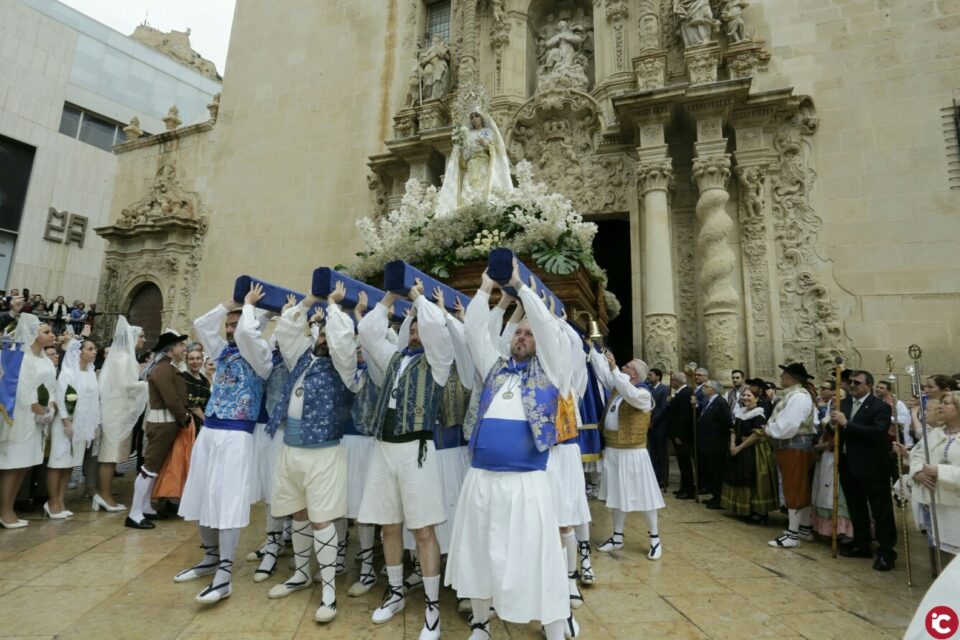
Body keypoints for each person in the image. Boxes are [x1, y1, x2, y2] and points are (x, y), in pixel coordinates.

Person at [446, 265, 572, 640]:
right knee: (478, 554)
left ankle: (554, 626)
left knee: (537, 557)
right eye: (518, 331)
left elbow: (548, 330)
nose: (521, 336)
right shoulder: (495, 369)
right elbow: (474, 332)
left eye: (528, 333)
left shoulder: (553, 371)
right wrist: (485, 289)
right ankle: (481, 624)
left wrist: (520, 287)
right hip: (481, 479)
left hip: (526, 483)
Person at [356, 280, 453, 639]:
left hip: (417, 451)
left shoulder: (438, 362)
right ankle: (396, 592)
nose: (415, 333)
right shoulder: (394, 359)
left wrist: (418, 297)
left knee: (424, 530)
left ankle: (432, 607)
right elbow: (368, 332)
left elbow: (437, 330)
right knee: (388, 526)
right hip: (384, 449)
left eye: (419, 329)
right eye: (411, 328)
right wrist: (391, 296)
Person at [175, 285, 273, 604]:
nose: (230, 330)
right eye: (228, 326)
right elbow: (201, 325)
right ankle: (210, 558)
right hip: (211, 429)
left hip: (237, 434)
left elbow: (248, 334)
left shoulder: (260, 355)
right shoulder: (222, 352)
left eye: (235, 324)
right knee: (202, 493)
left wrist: (250, 309)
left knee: (228, 501)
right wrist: (229, 304)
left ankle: (225, 574)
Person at [263, 285, 354, 623]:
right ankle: (301, 573)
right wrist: (309, 300)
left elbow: (343, 341)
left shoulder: (344, 365)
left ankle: (329, 590)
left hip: (323, 453)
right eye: (322, 334)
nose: (325, 339)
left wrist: (333, 307)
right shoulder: (302, 356)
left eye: (330, 335)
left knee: (321, 519)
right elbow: (287, 331)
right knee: (298, 513)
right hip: (291, 448)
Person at [590, 349, 663, 560]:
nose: (623, 367)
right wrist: (594, 349)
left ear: (635, 374)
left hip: (633, 453)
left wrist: (614, 368)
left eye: (627, 366)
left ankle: (655, 538)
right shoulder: (618, 388)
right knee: (616, 495)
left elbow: (628, 392)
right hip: (613, 449)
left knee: (644, 495)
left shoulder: (643, 394)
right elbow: (605, 375)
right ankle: (617, 536)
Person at [832, 370, 897, 571]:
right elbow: (837, 429)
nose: (852, 385)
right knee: (856, 507)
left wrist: (846, 423)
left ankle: (886, 552)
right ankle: (862, 544)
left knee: (880, 510)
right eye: (850, 382)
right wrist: (832, 425)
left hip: (872, 466)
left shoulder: (880, 407)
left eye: (857, 382)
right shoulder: (844, 404)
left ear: (869, 385)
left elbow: (877, 432)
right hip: (848, 464)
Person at [127, 331, 190, 529]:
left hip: (166, 424)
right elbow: (170, 398)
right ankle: (134, 513)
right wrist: (184, 417)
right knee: (149, 468)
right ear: (170, 349)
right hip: (162, 423)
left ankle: (145, 506)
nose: (183, 348)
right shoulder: (163, 369)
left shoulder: (166, 367)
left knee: (153, 468)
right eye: (179, 345)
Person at [0, 314, 57, 527]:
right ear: (33, 335)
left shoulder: (45, 359)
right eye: (46, 332)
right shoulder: (23, 358)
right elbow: (24, 390)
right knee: (14, 464)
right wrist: (39, 411)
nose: (52, 335)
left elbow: (51, 388)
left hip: (38, 419)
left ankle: (9, 507)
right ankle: (4, 510)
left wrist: (50, 408)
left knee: (25, 465)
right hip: (23, 416)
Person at [95, 318, 148, 512]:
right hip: (116, 411)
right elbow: (127, 385)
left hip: (117, 409)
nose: (144, 340)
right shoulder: (125, 359)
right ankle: (104, 495)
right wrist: (148, 384)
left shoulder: (123, 357)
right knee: (109, 455)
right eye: (141, 336)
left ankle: (104, 493)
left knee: (111, 455)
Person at [46, 331, 100, 518]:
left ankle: (61, 500)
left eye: (95, 349)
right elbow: (61, 397)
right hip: (66, 424)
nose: (94, 352)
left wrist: (92, 423)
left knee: (70, 464)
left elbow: (94, 400)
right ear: (79, 352)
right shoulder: (68, 373)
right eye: (90, 349)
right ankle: (52, 502)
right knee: (58, 462)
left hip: (82, 424)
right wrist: (66, 422)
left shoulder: (91, 373)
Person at [764, 362, 818, 549]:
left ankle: (793, 535)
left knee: (794, 488)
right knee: (800, 487)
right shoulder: (796, 395)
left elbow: (788, 426)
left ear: (792, 378)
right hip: (794, 447)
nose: (780, 378)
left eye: (783, 375)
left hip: (793, 447)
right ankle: (803, 528)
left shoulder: (798, 397)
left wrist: (769, 429)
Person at [911, 390, 960, 575]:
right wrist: (918, 473)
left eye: (946, 403)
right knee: (943, 552)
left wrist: (941, 471)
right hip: (937, 503)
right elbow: (917, 455)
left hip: (957, 504)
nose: (940, 406)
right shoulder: (935, 433)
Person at [436, 108, 513, 217]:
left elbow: (497, 152)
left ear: (482, 117)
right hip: (472, 166)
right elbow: (464, 160)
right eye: (472, 117)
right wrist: (462, 152)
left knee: (483, 188)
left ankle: (485, 210)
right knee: (469, 190)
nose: (474, 119)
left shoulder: (488, 132)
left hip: (484, 164)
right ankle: (469, 214)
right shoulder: (468, 134)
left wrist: (486, 144)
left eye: (477, 116)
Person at [720, 388, 778, 522]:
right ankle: (743, 508)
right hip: (739, 449)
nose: (745, 397)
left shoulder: (758, 414)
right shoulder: (741, 412)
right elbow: (734, 430)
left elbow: (756, 435)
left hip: (754, 450)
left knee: (754, 479)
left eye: (749, 395)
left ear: (756, 398)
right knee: (739, 478)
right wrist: (732, 445)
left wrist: (739, 447)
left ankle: (759, 511)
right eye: (744, 395)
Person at [696, 380, 731, 508]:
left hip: (716, 444)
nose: (703, 389)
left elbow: (726, 423)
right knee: (710, 471)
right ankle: (714, 496)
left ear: (713, 389)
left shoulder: (720, 402)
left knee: (717, 472)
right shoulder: (709, 401)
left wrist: (718, 437)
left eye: (706, 387)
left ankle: (719, 499)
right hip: (707, 443)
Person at [667, 371, 696, 499]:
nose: (671, 382)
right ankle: (683, 487)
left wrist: (679, 435)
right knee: (682, 463)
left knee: (685, 463)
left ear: (677, 382)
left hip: (682, 435)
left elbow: (684, 416)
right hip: (677, 433)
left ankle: (688, 490)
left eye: (672, 380)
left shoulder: (685, 393)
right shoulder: (680, 393)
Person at [646, 367, 670, 489]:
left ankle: (663, 478)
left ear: (658, 377)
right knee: (653, 451)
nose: (649, 377)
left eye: (651, 375)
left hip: (659, 425)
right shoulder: (648, 389)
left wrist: (653, 420)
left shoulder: (664, 389)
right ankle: (654, 476)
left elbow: (663, 407)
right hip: (649, 425)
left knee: (661, 452)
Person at [181, 343, 211, 430]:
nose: (195, 362)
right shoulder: (183, 378)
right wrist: (205, 420)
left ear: (202, 361)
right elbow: (191, 405)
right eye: (191, 359)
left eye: (198, 358)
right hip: (187, 424)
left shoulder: (205, 381)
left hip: (202, 425)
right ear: (186, 361)